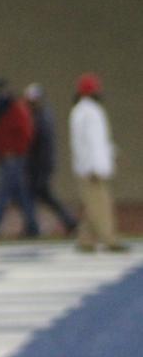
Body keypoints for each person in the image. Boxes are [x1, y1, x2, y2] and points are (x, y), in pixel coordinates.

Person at [70, 71, 126, 252]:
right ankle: (110, 239)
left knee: (92, 205)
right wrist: (94, 166)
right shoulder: (88, 112)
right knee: (100, 205)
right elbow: (90, 142)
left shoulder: (83, 111)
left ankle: (86, 239)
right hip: (92, 168)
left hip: (90, 166)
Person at [0, 77, 38, 239]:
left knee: (2, 193)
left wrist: (14, 151)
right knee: (20, 194)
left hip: (13, 158)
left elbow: (26, 133)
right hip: (4, 157)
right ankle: (33, 226)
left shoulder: (15, 109)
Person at [23, 83, 78, 235]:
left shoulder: (43, 117)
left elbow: (43, 145)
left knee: (40, 195)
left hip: (41, 165)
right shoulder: (36, 115)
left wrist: (43, 167)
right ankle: (34, 226)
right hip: (37, 164)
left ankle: (35, 227)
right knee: (36, 195)